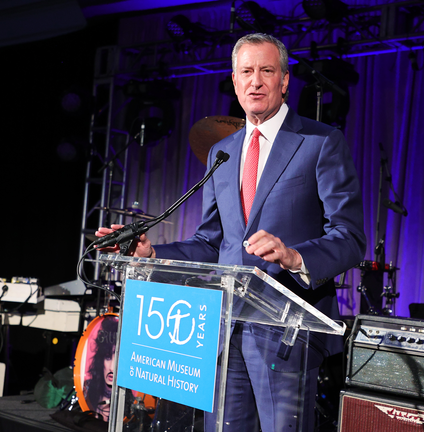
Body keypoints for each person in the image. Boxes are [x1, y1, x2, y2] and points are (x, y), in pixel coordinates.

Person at [97, 33, 366, 432]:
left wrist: (295, 256)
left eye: (266, 71)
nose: (255, 81)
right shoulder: (222, 154)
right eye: (246, 72)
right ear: (235, 82)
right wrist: (152, 255)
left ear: (284, 81)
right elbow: (210, 243)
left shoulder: (320, 142)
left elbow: (350, 236)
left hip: (287, 334)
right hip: (224, 329)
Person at [82, 316, 117, 422]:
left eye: (118, 361)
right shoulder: (88, 390)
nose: (111, 368)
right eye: (107, 357)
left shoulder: (129, 403)